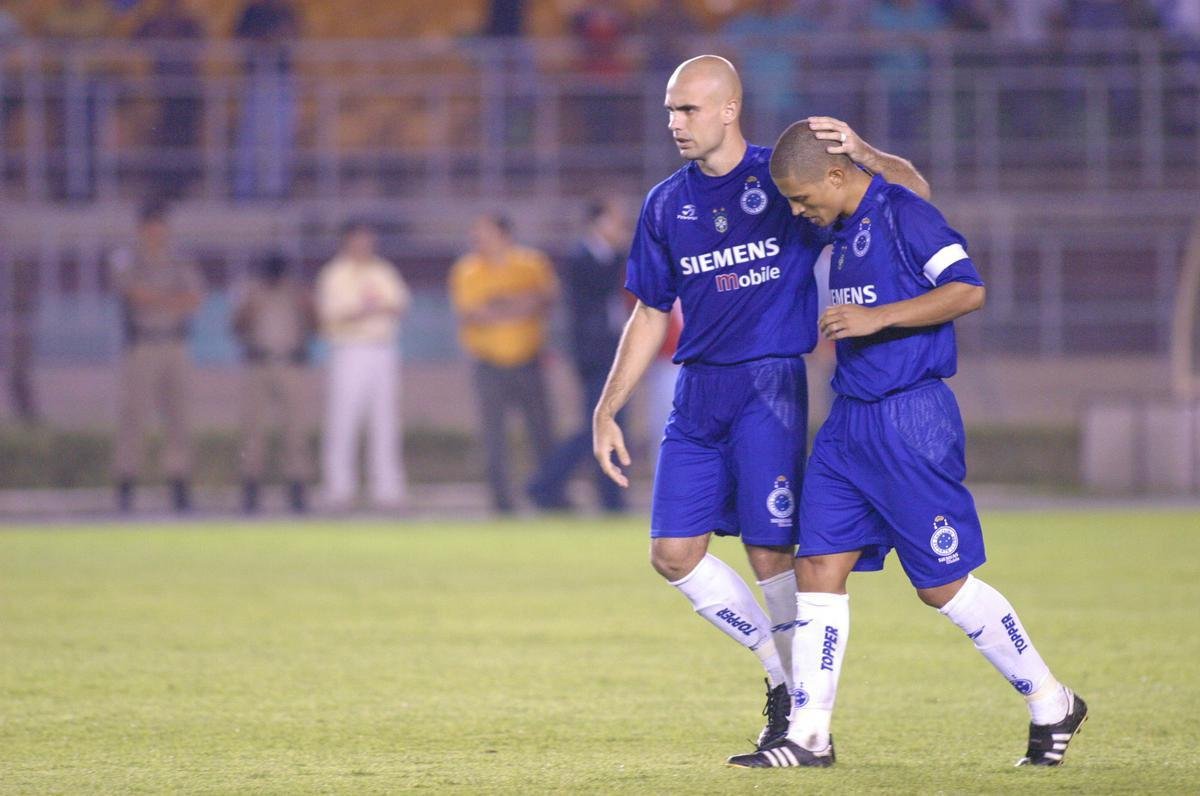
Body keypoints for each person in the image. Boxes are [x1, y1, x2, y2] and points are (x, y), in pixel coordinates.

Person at [591, 54, 930, 751]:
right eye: (669, 109)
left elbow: (909, 198)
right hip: (697, 392)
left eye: (687, 109)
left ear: (727, 110)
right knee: (671, 553)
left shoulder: (788, 175)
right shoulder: (665, 203)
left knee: (771, 553)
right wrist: (608, 407)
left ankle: (805, 723)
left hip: (767, 387)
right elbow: (652, 310)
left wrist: (864, 152)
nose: (674, 122)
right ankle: (781, 676)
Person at [725, 122, 1087, 769]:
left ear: (836, 176)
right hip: (849, 421)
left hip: (909, 418)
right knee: (818, 565)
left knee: (942, 585)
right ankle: (809, 735)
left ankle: (1051, 701)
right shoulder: (844, 221)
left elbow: (967, 288)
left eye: (804, 198)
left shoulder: (903, 214)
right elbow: (901, 187)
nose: (801, 212)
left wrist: (877, 317)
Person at [449, 214, 559, 514]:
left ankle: (551, 496)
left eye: (485, 232)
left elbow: (544, 299)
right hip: (488, 362)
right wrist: (520, 305)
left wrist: (500, 305)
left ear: (504, 234)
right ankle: (502, 504)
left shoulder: (530, 264)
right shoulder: (467, 270)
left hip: (529, 359)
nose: (478, 239)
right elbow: (473, 313)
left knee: (543, 432)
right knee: (493, 438)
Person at [527, 198, 631, 512]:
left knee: (606, 424)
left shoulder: (609, 258)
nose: (622, 229)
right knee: (600, 425)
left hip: (612, 352)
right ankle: (546, 485)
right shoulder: (583, 259)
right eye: (615, 221)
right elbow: (593, 298)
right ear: (597, 223)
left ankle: (607, 497)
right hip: (597, 356)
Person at [112, 199, 205, 512]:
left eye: (160, 225)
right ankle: (126, 483)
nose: (156, 231)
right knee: (133, 416)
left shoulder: (178, 258)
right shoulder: (128, 258)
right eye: (151, 225)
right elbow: (132, 293)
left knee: (179, 415)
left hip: (174, 344)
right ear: (141, 229)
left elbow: (194, 298)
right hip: (142, 345)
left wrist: (158, 300)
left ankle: (179, 483)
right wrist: (169, 299)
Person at [315, 220, 411, 510]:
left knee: (386, 420)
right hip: (350, 350)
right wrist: (366, 310)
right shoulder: (335, 274)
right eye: (359, 240)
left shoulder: (383, 271)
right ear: (347, 241)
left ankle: (388, 489)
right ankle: (339, 488)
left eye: (368, 240)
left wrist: (365, 310)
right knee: (343, 420)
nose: (365, 246)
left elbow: (398, 305)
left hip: (381, 350)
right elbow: (332, 315)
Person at [232, 252, 317, 513]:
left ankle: (297, 487)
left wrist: (307, 304)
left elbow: (316, 326)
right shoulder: (251, 292)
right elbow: (236, 327)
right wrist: (249, 307)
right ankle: (250, 487)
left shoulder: (295, 292)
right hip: (259, 363)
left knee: (295, 429)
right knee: (253, 428)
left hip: (290, 362)